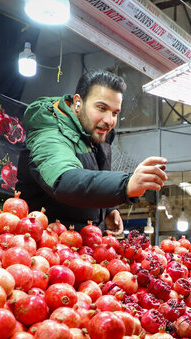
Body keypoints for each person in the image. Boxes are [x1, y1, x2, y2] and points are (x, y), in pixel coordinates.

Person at [16, 70, 168, 234]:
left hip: (85, 245)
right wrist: (125, 185)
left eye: (115, 113)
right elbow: (64, 180)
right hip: (45, 248)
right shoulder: (49, 133)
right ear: (78, 102)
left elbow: (94, 177)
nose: (109, 120)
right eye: (101, 108)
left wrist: (108, 209)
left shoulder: (97, 135)